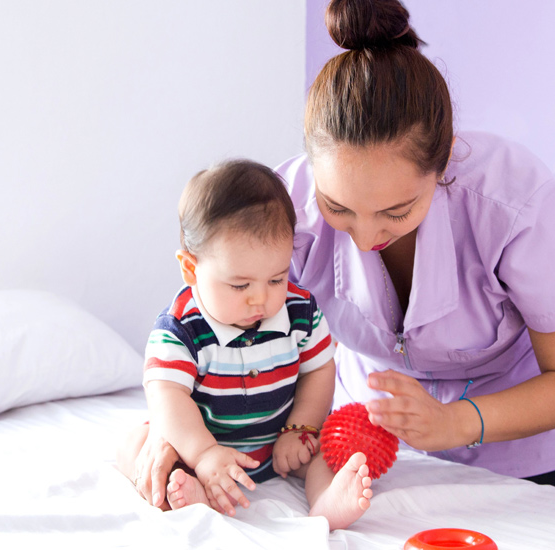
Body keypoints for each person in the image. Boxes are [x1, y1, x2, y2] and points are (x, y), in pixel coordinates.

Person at [273, 0, 555, 493]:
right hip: (367, 440)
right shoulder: (287, 207)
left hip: (518, 452)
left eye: (396, 212)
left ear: (445, 158)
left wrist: (456, 422)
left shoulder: (511, 199)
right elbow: (218, 329)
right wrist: (183, 428)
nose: (364, 239)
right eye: (338, 207)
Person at [116, 159, 373, 530]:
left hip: (279, 446)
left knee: (329, 451)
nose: (261, 300)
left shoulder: (299, 311)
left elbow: (319, 369)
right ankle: (197, 494)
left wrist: (299, 429)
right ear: (191, 269)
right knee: (138, 445)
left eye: (276, 278)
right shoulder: (181, 329)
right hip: (205, 446)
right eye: (240, 285)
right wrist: (203, 454)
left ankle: (326, 503)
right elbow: (167, 395)